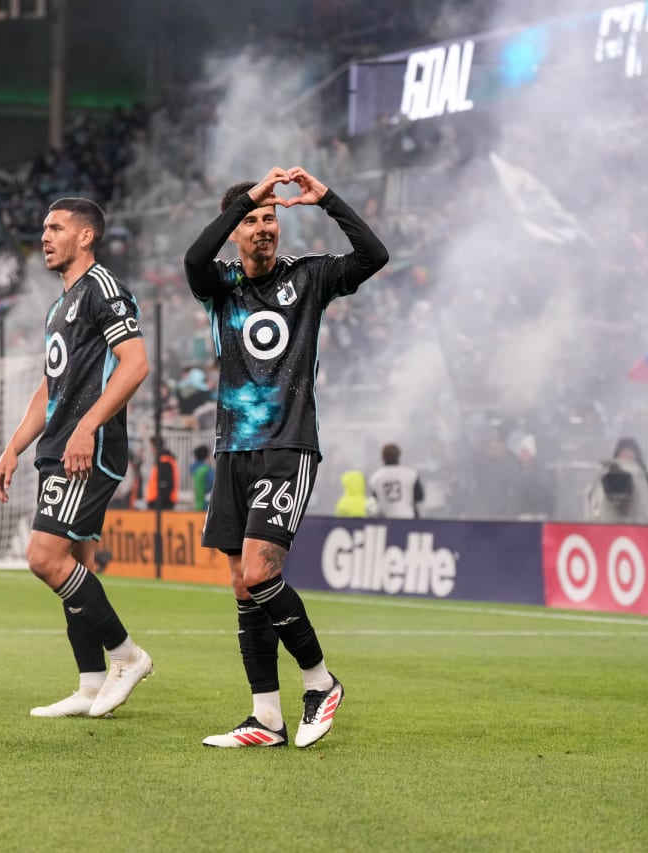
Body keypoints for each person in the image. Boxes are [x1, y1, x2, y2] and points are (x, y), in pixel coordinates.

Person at [184, 165, 388, 748]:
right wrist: (247, 195)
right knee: (243, 588)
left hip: (287, 446)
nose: (263, 227)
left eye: (270, 217)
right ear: (234, 231)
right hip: (232, 451)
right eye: (251, 220)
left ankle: (321, 683)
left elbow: (374, 255)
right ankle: (265, 718)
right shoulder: (219, 285)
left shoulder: (311, 277)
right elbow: (193, 260)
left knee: (259, 572)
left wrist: (327, 200)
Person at [0, 197, 153, 720]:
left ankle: (128, 656)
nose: (45, 236)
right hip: (56, 447)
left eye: (56, 227)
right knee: (75, 564)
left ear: (85, 236)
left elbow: (136, 364)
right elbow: (51, 386)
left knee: (44, 558)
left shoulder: (105, 290)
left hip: (88, 449)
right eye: (44, 227)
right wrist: (12, 447)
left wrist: (87, 427)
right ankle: (89, 683)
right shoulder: (59, 305)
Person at [586, 437, 648, 525]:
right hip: (606, 523)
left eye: (629, 454)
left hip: (638, 523)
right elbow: (594, 499)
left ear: (636, 456)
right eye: (623, 454)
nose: (626, 457)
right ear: (617, 455)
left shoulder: (641, 475)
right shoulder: (606, 474)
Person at [368, 442, 423, 519]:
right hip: (408, 517)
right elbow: (419, 497)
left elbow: (374, 501)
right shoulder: (411, 473)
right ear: (399, 455)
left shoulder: (376, 477)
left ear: (382, 457)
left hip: (386, 520)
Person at [145, 436, 178, 509]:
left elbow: (167, 484)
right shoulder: (162, 461)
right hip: (157, 501)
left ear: (155, 446)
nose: (150, 449)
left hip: (160, 503)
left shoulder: (165, 462)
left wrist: (161, 502)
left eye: (151, 446)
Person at [189, 444, 215, 511]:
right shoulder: (207, 471)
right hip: (206, 506)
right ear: (207, 456)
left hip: (198, 505)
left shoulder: (196, 470)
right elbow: (215, 486)